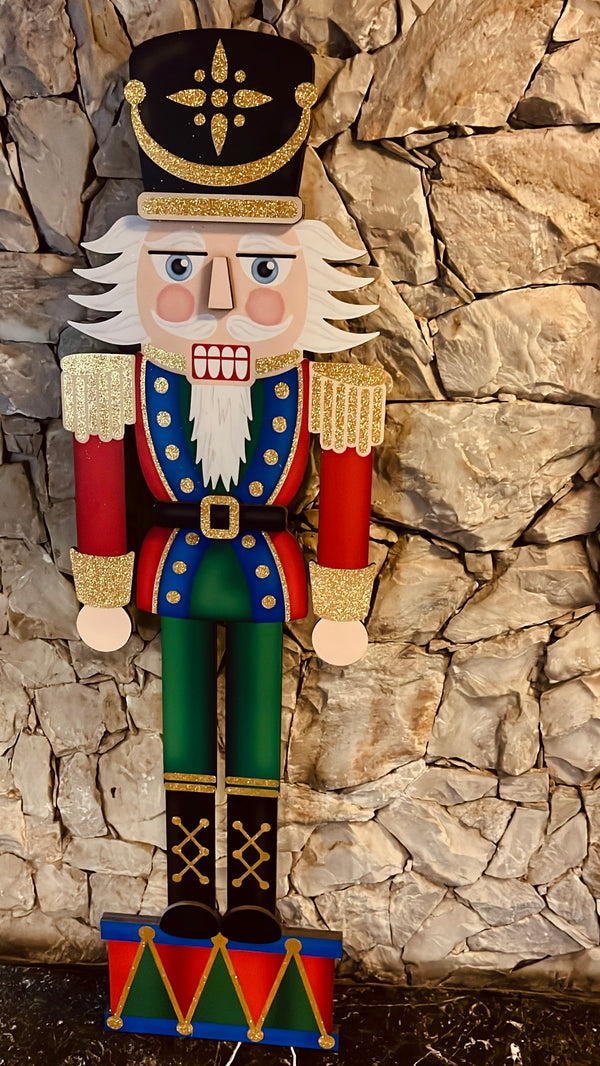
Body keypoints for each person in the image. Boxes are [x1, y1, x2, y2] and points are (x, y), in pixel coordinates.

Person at [62, 28, 386, 944]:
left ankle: (248, 893)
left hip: (267, 570)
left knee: (253, 727)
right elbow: (98, 475)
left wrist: (341, 600)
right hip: (171, 566)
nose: (216, 299)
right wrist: (102, 588)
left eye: (262, 270)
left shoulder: (330, 387)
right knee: (181, 728)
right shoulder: (114, 379)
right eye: (178, 266)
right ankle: (187, 887)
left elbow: (347, 481)